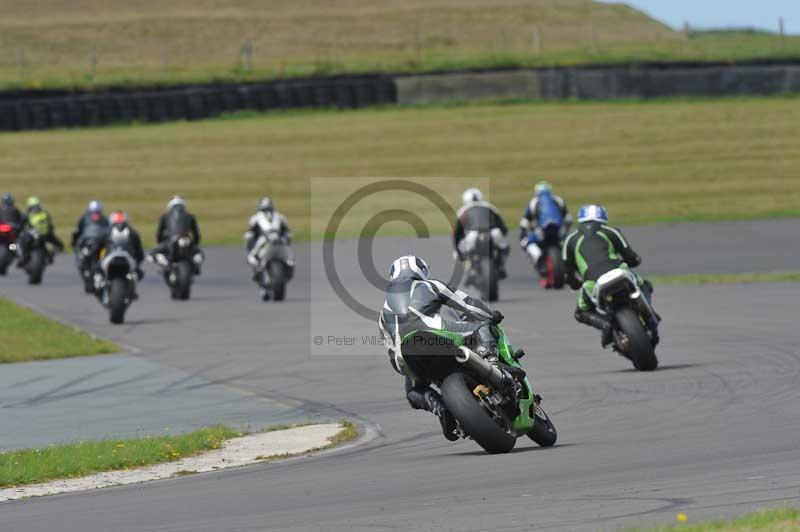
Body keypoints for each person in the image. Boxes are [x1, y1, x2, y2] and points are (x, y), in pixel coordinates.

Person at [378, 255, 507, 441]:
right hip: (436, 336)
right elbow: (467, 304)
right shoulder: (431, 285)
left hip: (406, 355)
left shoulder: (383, 312)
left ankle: (439, 407)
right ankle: (492, 363)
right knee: (482, 326)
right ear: (421, 271)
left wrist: (407, 370)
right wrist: (490, 315)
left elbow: (391, 352)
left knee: (413, 391)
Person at [562, 204, 655, 347]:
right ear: (603, 217)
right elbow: (631, 256)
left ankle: (605, 325)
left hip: (593, 281)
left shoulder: (570, 240)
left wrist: (575, 283)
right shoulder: (611, 231)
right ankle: (650, 318)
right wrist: (635, 260)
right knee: (645, 285)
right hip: (619, 272)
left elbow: (567, 271)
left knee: (581, 312)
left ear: (580, 219)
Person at [453, 188, 510, 279]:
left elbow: (456, 233)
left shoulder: (462, 210)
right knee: (504, 248)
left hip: (472, 234)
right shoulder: (490, 207)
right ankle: (500, 266)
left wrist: (457, 248)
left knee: (458, 253)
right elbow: (503, 227)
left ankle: (470, 270)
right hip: (494, 232)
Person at [519, 180, 572, 273]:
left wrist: (523, 233)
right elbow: (568, 219)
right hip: (558, 231)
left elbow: (524, 222)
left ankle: (539, 259)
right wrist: (565, 232)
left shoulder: (534, 202)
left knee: (525, 243)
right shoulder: (558, 200)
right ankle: (570, 263)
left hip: (541, 232)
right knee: (569, 244)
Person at [150, 195, 203, 273]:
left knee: (152, 254)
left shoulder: (164, 217)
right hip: (187, 241)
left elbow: (159, 234)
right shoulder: (190, 216)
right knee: (199, 253)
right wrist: (195, 244)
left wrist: (160, 243)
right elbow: (196, 234)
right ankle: (195, 265)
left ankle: (166, 264)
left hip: (170, 242)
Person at [100, 210, 145, 297]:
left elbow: (98, 246)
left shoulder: (107, 231)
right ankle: (132, 287)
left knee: (97, 269)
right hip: (126, 258)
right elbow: (139, 251)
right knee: (139, 273)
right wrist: (138, 262)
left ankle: (99, 283)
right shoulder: (132, 232)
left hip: (112, 258)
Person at [244, 197, 293, 270]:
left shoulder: (278, 216)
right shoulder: (258, 217)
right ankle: (256, 259)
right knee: (256, 245)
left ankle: (288, 261)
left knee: (287, 248)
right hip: (266, 239)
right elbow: (251, 231)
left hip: (277, 239)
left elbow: (286, 230)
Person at [17, 196, 64, 266]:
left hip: (33, 235)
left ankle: (23, 256)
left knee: (20, 242)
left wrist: (20, 231)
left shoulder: (27, 214)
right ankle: (51, 255)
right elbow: (51, 225)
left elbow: (21, 225)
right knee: (60, 245)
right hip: (46, 234)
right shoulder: (45, 213)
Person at [71, 200, 109, 269]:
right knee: (79, 248)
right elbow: (77, 231)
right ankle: (81, 259)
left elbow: (108, 230)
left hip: (100, 242)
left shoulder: (103, 219)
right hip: (87, 240)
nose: (95, 215)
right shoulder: (85, 218)